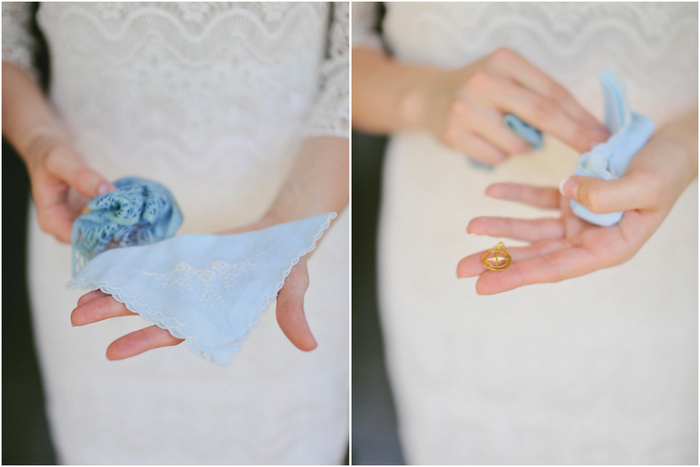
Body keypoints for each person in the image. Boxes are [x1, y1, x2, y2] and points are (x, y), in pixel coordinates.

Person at [3, 2, 348, 464]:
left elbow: (351, 63)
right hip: (95, 244)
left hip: (290, 229)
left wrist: (287, 231)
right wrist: (38, 139)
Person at [352, 2, 697, 464]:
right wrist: (424, 96)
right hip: (452, 259)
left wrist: (688, 145)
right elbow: (335, 61)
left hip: (668, 264)